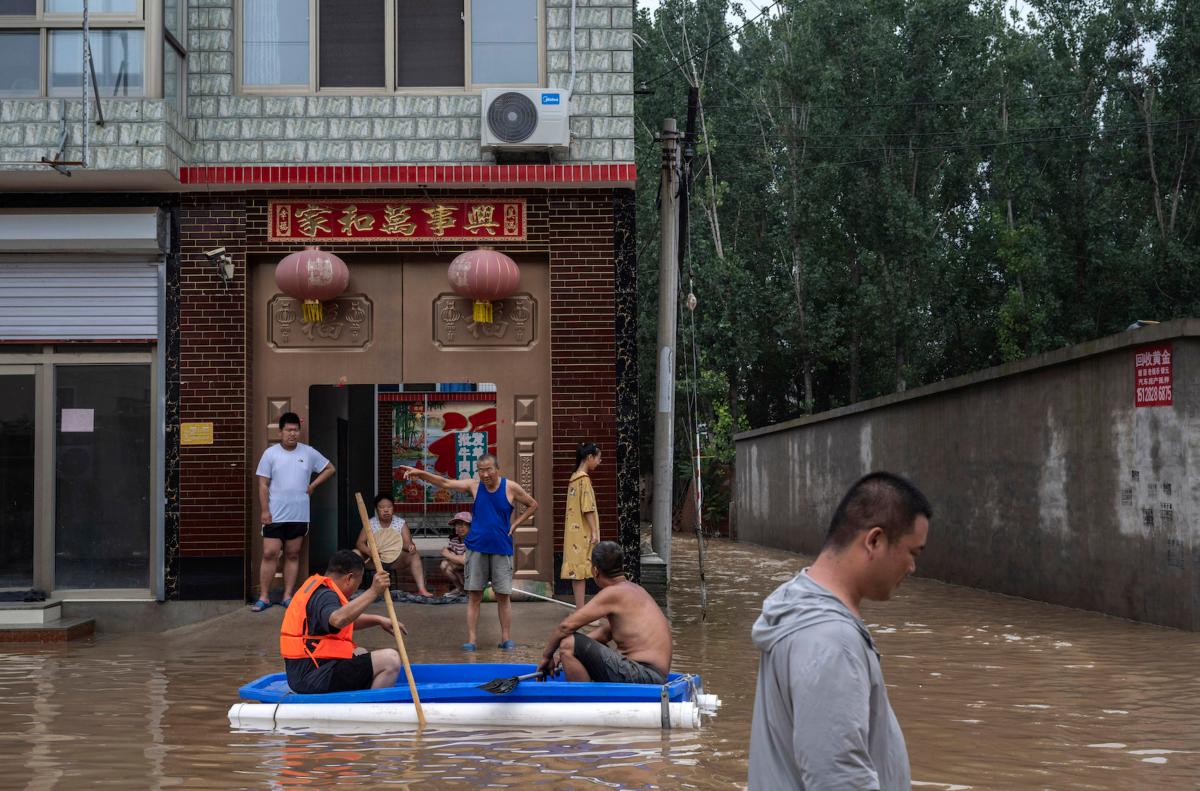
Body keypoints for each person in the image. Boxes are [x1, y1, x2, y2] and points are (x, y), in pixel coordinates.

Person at [747, 472, 931, 791]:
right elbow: (838, 777)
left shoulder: (798, 604)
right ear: (874, 540)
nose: (912, 567)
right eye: (912, 553)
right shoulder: (830, 639)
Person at [400, 454, 538, 651]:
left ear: (497, 468)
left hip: (501, 548)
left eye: (489, 469)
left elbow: (533, 504)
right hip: (476, 548)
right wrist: (421, 473)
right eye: (481, 470)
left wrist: (515, 524)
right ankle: (472, 640)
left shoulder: (510, 487)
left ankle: (506, 638)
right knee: (474, 595)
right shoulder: (475, 486)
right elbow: (445, 483)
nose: (485, 474)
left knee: (503, 596)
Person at [536, 541, 671, 684]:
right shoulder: (636, 590)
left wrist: (547, 656)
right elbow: (605, 633)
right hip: (655, 676)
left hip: (644, 675)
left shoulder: (612, 593)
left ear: (595, 571)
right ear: (621, 567)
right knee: (574, 646)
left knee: (567, 643)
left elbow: (565, 627)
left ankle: (584, 702)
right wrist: (565, 655)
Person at [279, 549, 404, 694]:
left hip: (304, 674)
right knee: (390, 660)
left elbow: (345, 620)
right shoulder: (326, 595)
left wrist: (378, 620)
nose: (356, 588)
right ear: (349, 578)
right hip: (314, 677)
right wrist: (373, 592)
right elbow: (338, 619)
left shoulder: (317, 588)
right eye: (358, 583)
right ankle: (370, 709)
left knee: (360, 652)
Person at [253, 412, 335, 612]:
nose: (293, 434)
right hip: (274, 514)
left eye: (296, 430)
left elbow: (330, 468)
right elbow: (263, 484)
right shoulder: (270, 454)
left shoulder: (308, 452)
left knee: (292, 554)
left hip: (298, 514)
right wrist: (265, 511)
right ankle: (264, 596)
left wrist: (313, 485)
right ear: (280, 431)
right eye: (289, 430)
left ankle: (287, 595)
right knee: (269, 553)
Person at [354, 493, 432, 598]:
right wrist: (370, 552)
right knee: (355, 553)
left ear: (393, 508)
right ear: (377, 509)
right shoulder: (370, 523)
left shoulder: (400, 523)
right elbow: (360, 543)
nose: (386, 510)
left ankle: (422, 589)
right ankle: (352, 589)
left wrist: (410, 547)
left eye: (389, 507)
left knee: (414, 555)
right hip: (373, 560)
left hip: (394, 560)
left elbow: (408, 543)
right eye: (382, 507)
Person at [562, 442, 602, 608]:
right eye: (598, 458)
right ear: (589, 457)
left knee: (577, 572)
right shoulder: (584, 480)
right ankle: (587, 610)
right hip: (584, 532)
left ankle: (580, 610)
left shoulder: (573, 478)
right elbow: (588, 509)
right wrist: (594, 532)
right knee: (591, 569)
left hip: (573, 533)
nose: (599, 462)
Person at [439, 512, 471, 594]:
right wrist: (452, 557)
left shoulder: (473, 541)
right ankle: (460, 588)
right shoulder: (454, 541)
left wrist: (448, 554)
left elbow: (465, 561)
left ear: (470, 527)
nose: (461, 527)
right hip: (460, 568)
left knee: (452, 564)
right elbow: (452, 558)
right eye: (458, 524)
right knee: (444, 564)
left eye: (465, 524)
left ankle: (467, 588)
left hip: (473, 570)